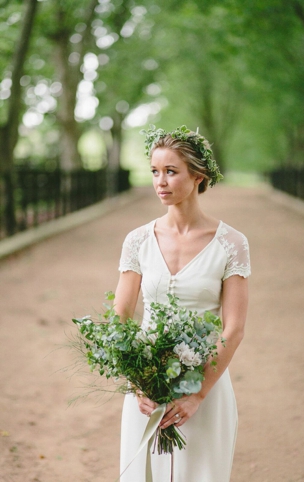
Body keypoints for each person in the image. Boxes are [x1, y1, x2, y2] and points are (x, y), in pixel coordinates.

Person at [113, 125, 250, 481]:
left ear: (198, 176)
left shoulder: (231, 244)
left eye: (171, 171)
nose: (161, 181)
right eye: (155, 172)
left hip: (205, 381)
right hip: (147, 383)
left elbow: (233, 329)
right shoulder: (138, 241)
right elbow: (121, 317)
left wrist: (198, 395)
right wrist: (137, 382)